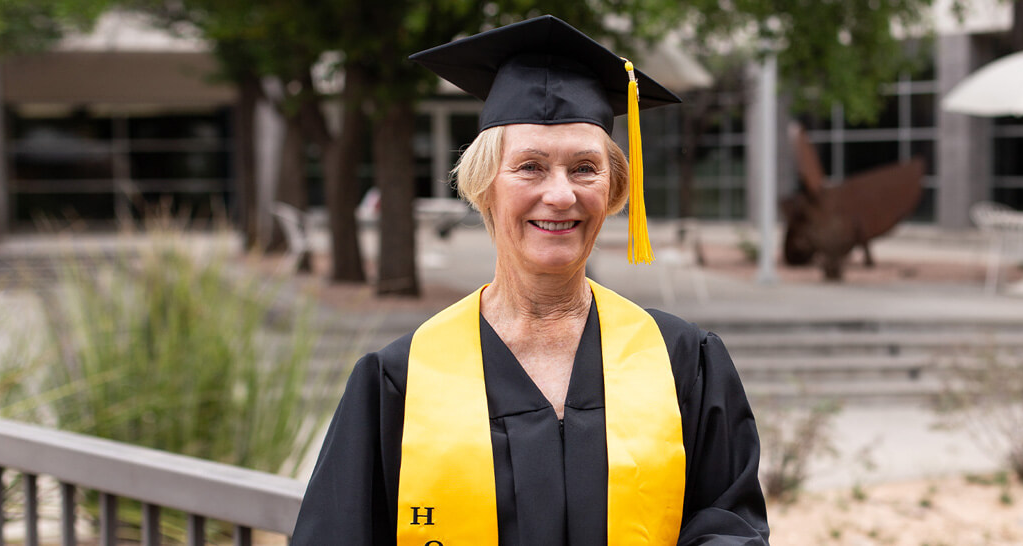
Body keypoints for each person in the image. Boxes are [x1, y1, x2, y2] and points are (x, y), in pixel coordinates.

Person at [289, 16, 769, 546]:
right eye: (531, 167)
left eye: (585, 168)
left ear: (613, 191)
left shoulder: (684, 363)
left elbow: (731, 526)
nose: (561, 194)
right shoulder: (402, 380)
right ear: (483, 186)